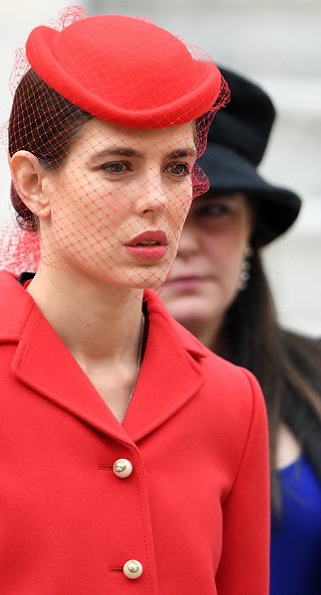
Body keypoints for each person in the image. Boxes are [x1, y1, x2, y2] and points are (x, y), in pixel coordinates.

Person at [0, 9, 269, 593]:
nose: (156, 200)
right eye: (117, 166)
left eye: (176, 167)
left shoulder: (233, 400)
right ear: (32, 183)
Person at [161, 66, 321, 595]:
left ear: (252, 232)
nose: (183, 243)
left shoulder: (314, 376)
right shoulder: (72, 388)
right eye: (166, 213)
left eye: (215, 211)